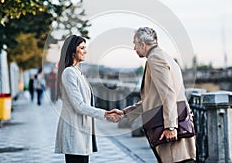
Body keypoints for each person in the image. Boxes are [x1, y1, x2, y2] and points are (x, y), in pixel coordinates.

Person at [120, 27, 196, 163]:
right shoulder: (165, 57)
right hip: (177, 122)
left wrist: (170, 126)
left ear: (142, 44)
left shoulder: (155, 59)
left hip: (169, 129)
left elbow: (168, 94)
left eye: (134, 44)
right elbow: (152, 99)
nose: (134, 48)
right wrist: (124, 113)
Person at [54, 35, 123, 163]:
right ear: (72, 51)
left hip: (81, 132)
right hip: (74, 132)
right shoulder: (69, 73)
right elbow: (79, 105)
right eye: (82, 47)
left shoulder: (77, 72)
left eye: (85, 47)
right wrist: (105, 114)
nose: (85, 51)